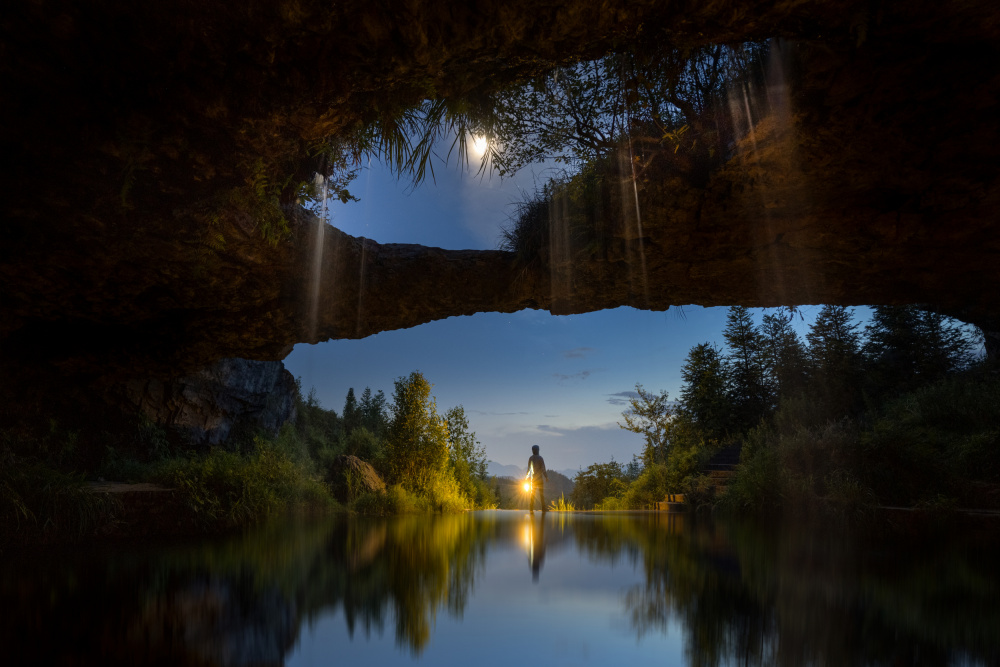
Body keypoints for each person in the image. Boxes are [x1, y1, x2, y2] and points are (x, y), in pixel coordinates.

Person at [526, 444, 548, 512]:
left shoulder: (531, 458)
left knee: (533, 494)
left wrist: (526, 477)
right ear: (538, 450)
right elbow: (543, 469)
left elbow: (529, 469)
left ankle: (531, 507)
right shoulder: (540, 458)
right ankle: (543, 508)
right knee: (541, 494)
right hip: (540, 479)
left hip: (533, 479)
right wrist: (546, 477)